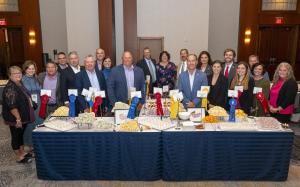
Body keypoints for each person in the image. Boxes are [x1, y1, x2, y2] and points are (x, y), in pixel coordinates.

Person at [2, 66, 35, 163]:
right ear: (9, 75)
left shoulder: (19, 83)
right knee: (16, 136)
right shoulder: (10, 87)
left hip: (22, 115)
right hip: (15, 118)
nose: (18, 75)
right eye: (15, 73)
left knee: (20, 135)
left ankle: (22, 152)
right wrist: (18, 119)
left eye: (19, 73)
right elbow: (12, 106)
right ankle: (19, 157)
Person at [21, 60, 43, 156]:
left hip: (39, 103)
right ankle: (29, 146)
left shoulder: (36, 78)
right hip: (28, 105)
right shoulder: (22, 79)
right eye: (29, 68)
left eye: (33, 68)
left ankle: (37, 145)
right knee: (30, 124)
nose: (31, 70)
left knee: (39, 123)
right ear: (25, 69)